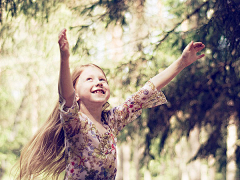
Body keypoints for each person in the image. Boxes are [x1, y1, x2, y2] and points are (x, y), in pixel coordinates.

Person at [15, 28, 205, 180]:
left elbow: (146, 92)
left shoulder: (112, 121)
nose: (98, 82)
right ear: (76, 94)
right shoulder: (74, 122)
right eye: (89, 79)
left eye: (102, 79)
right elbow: (65, 96)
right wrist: (65, 58)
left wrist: (181, 62)